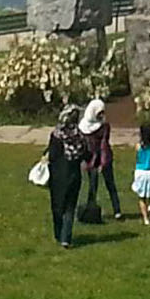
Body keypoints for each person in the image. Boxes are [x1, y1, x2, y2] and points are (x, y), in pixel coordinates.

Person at [45, 103, 89, 248]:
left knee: (57, 205)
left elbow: (52, 155)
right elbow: (85, 154)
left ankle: (58, 233)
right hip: (74, 175)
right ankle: (66, 238)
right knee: (70, 207)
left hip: (58, 175)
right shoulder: (80, 136)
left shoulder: (57, 135)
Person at [78, 98, 123, 222]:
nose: (102, 115)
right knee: (93, 186)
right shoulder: (83, 127)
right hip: (90, 159)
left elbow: (103, 146)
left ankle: (117, 210)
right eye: (99, 113)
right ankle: (91, 210)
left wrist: (102, 163)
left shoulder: (104, 127)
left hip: (102, 159)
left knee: (110, 184)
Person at [131, 123, 150, 225]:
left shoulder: (138, 146)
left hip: (140, 172)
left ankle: (146, 219)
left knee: (141, 197)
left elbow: (137, 158)